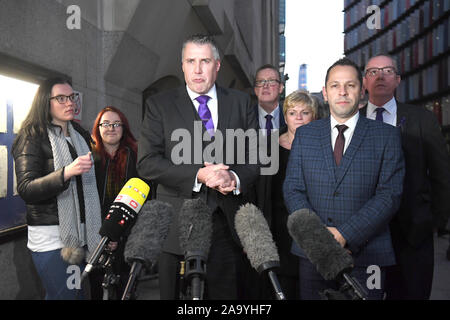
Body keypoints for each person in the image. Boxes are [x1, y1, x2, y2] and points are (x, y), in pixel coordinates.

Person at [137, 34, 259, 299]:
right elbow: (147, 162)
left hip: (226, 228)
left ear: (217, 65)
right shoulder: (159, 105)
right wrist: (198, 175)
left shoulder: (241, 103)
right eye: (190, 61)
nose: (197, 69)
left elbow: (254, 158)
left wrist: (233, 178)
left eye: (205, 61)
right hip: (176, 230)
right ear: (182, 65)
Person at [283, 58, 405, 300]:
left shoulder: (387, 136)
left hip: (368, 256)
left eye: (350, 85)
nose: (342, 91)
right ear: (325, 93)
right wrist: (318, 235)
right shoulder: (305, 136)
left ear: (361, 92)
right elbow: (293, 189)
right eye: (335, 85)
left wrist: (345, 233)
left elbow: (389, 195)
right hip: (313, 254)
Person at [360, 54, 450, 300]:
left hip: (414, 237)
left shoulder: (422, 120)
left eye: (387, 71)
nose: (380, 76)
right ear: (364, 82)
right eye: (373, 72)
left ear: (398, 80)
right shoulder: (351, 122)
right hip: (364, 238)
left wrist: (434, 221)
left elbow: (442, 174)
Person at [12, 78, 102, 300]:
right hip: (51, 238)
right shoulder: (31, 135)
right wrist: (65, 173)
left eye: (72, 97)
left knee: (76, 294)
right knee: (66, 296)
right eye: (61, 98)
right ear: (46, 102)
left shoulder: (79, 134)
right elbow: (26, 188)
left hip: (81, 234)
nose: (69, 103)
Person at [271, 90, 319, 299]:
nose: (298, 117)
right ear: (285, 116)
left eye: (304, 112)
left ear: (314, 116)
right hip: (277, 231)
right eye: (292, 112)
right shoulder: (268, 147)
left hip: (311, 228)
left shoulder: (323, 147)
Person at [89, 106, 139, 300]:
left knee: (125, 290)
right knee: (97, 289)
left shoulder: (136, 158)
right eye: (106, 124)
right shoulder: (90, 159)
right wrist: (104, 233)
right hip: (96, 235)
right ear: (98, 128)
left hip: (128, 236)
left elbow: (141, 200)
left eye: (116, 124)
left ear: (124, 128)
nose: (111, 128)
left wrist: (119, 234)